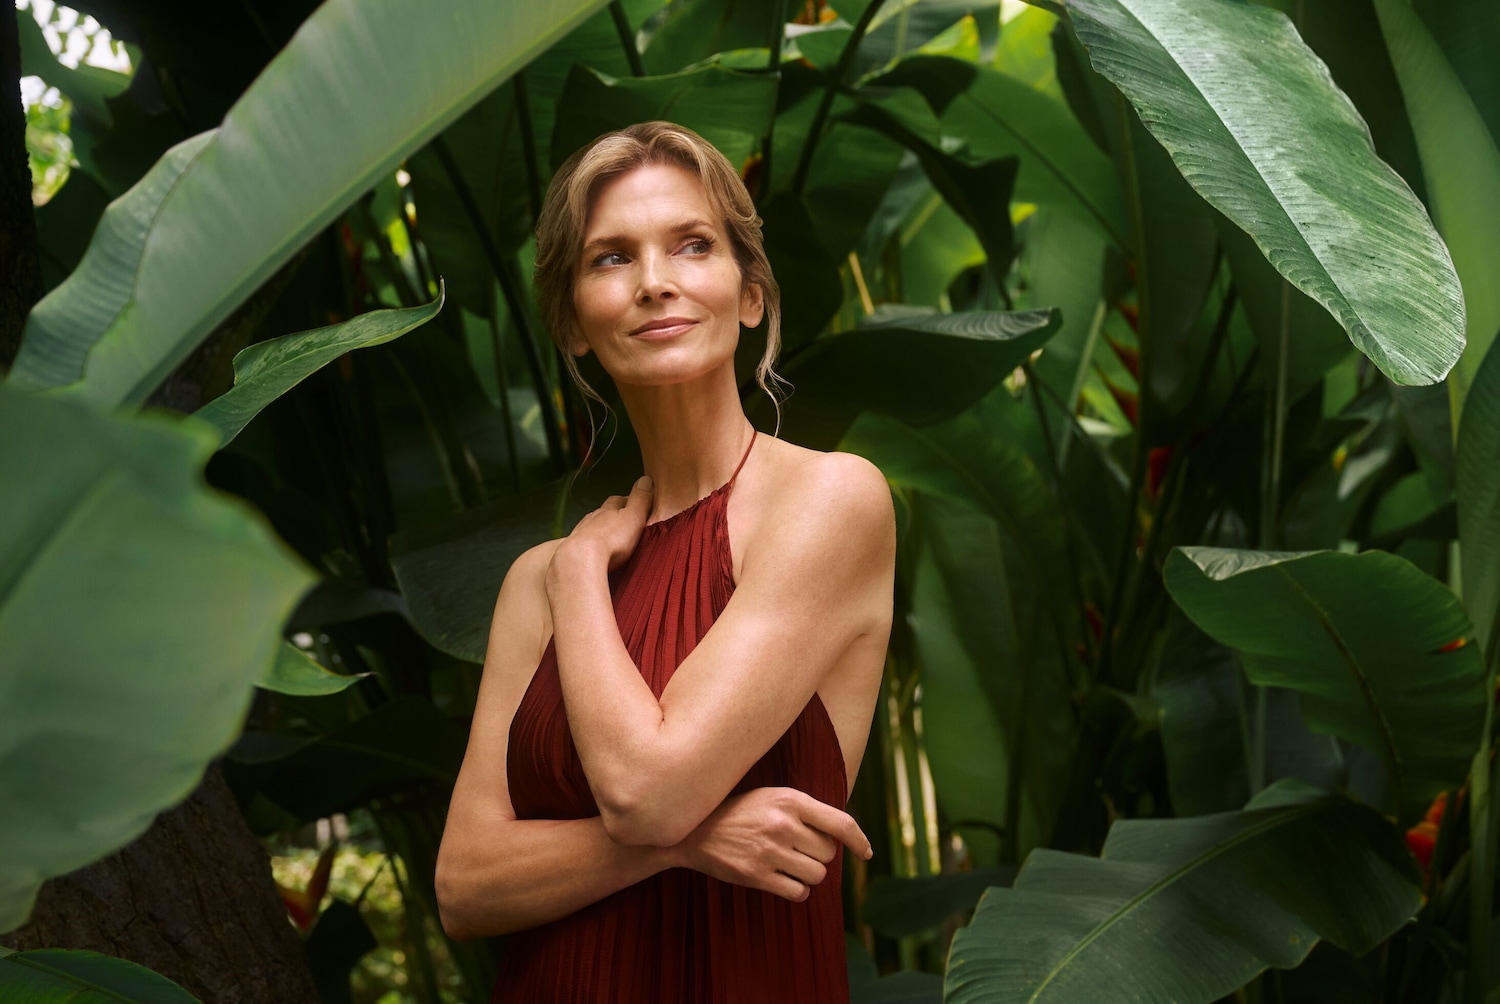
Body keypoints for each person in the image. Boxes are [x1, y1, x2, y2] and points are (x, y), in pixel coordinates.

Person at [434, 121, 896, 1003]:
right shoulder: (539, 578)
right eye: (612, 259)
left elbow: (648, 794)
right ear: (572, 323)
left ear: (750, 292)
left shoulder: (829, 503)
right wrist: (692, 842)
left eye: (693, 245)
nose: (655, 283)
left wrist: (580, 584)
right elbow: (464, 884)